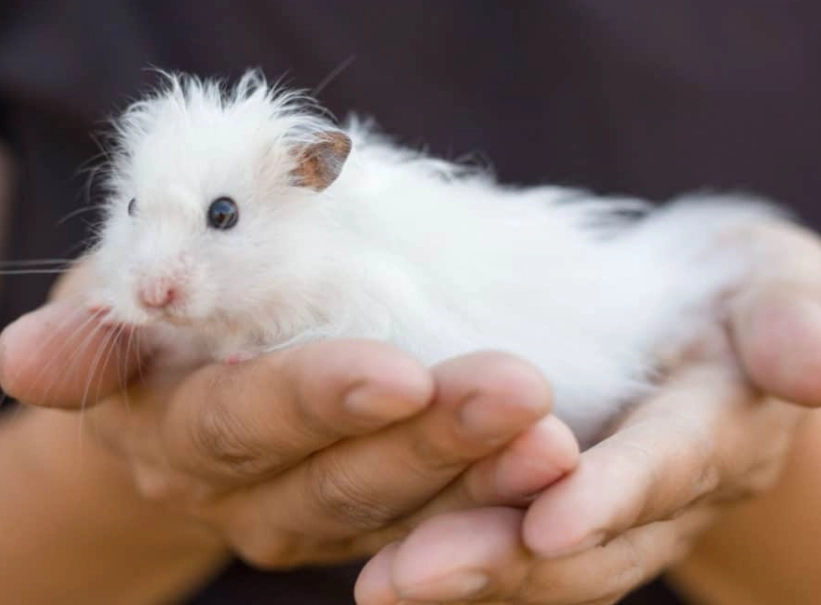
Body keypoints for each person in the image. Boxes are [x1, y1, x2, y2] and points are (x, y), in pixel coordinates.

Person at [1, 2, 821, 604]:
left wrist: (767, 449)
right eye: (137, 215)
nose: (157, 278)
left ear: (312, 177)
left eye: (222, 218)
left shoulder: (374, 255)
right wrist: (109, 461)